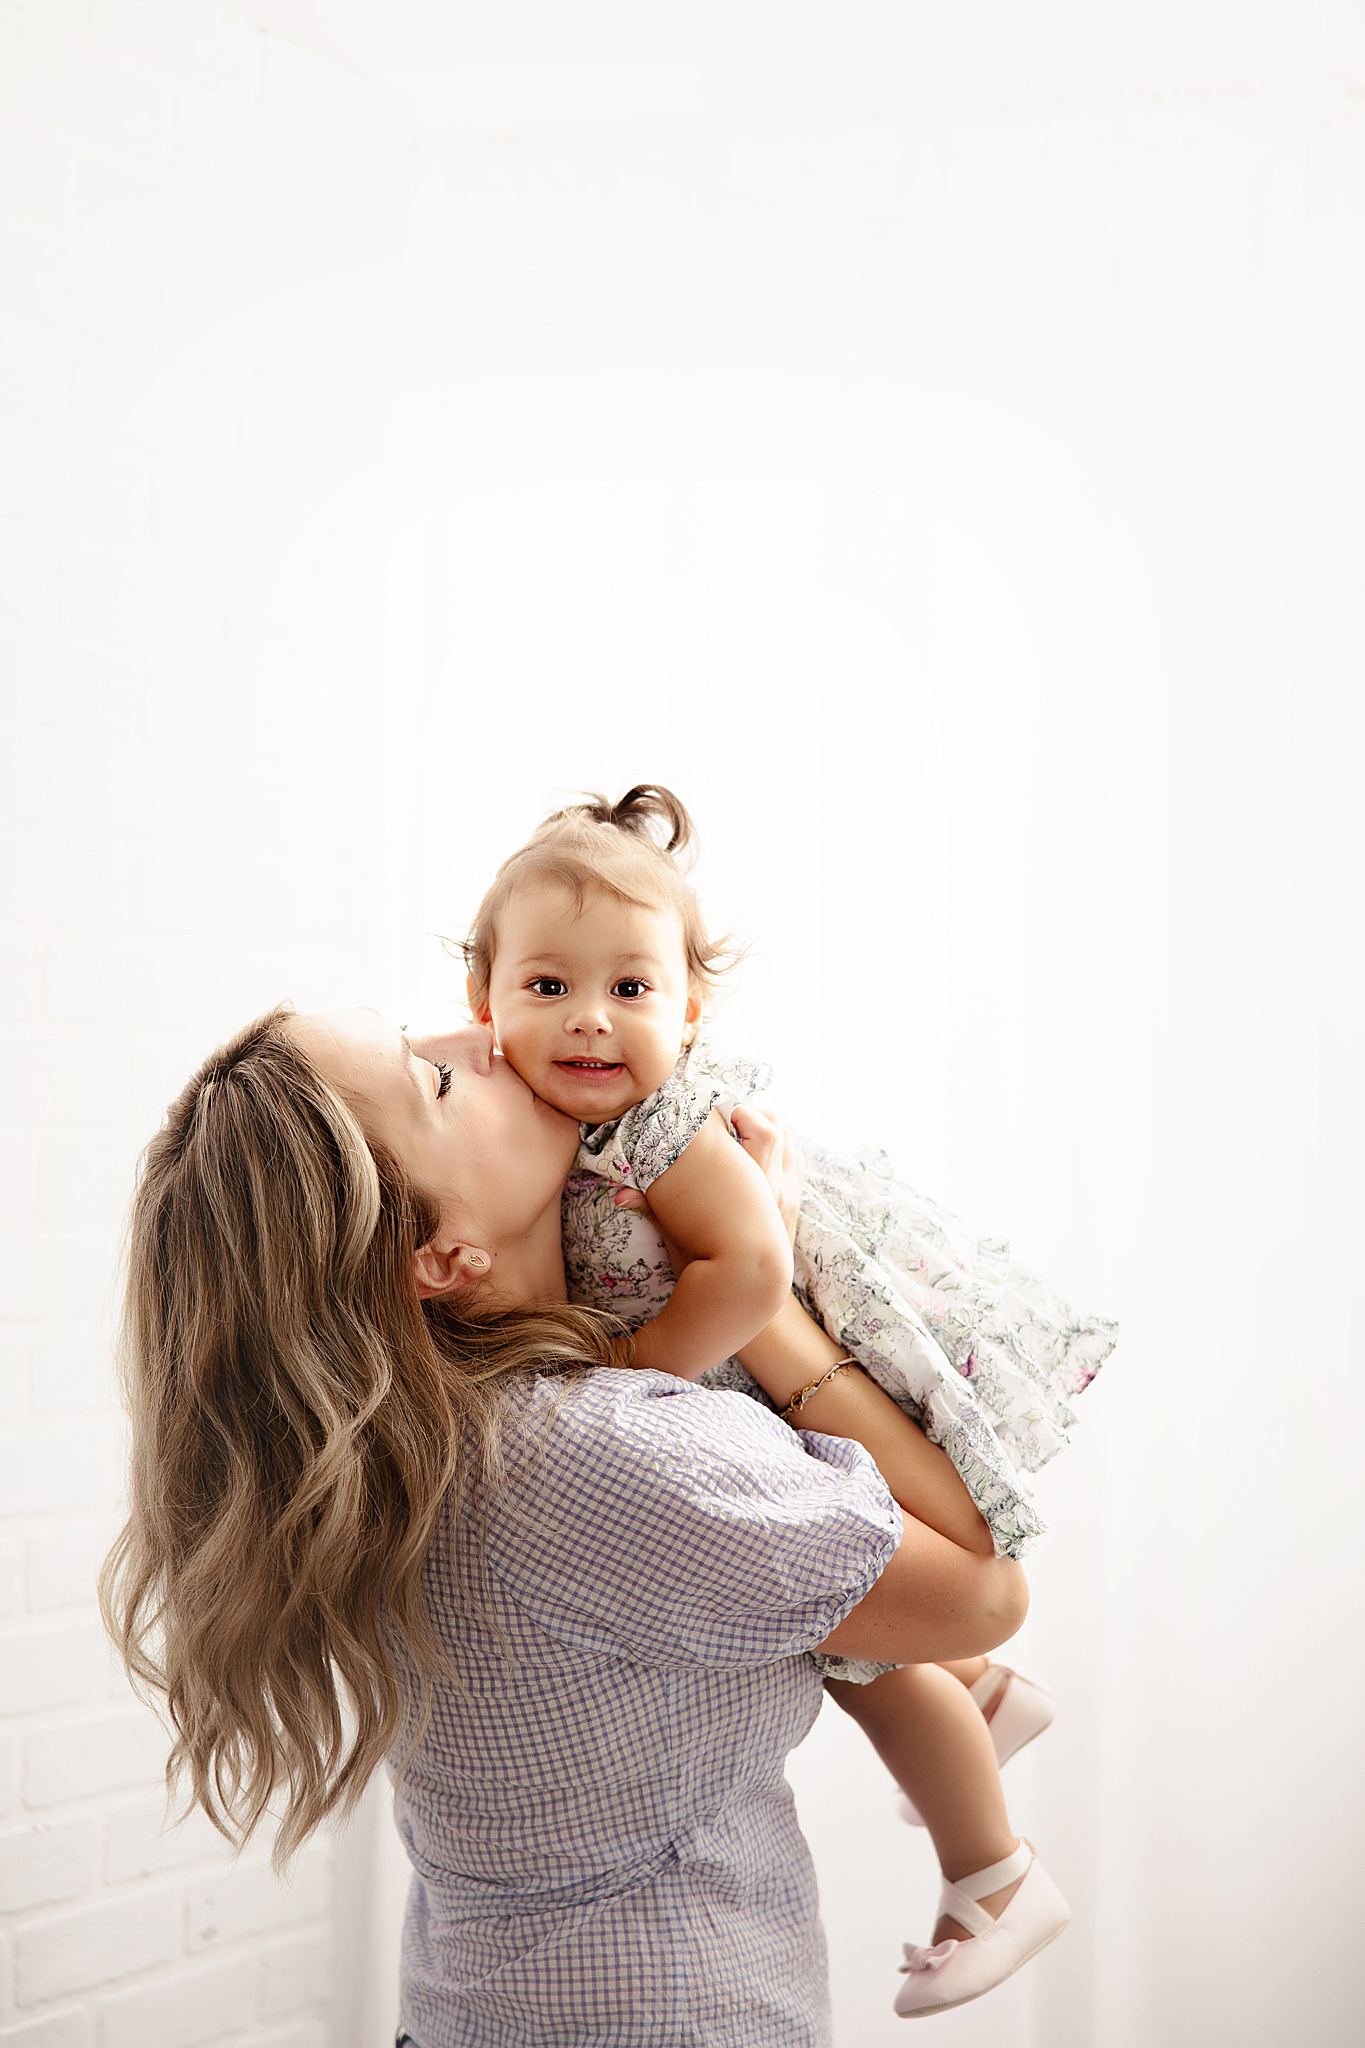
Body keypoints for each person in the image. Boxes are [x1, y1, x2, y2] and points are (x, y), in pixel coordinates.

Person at [98, 992, 1029, 2047]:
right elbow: (984, 1592)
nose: (479, 1034)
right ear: (441, 1255)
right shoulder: (604, 1459)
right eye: (434, 1079)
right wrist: (764, 1290)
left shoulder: (406, 1450)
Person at [454, 781, 1121, 2018]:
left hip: (741, 1378)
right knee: (842, 1633)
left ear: (692, 1009)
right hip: (727, 1401)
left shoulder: (661, 1120)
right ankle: (977, 1686)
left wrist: (625, 1380)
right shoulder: (539, 1115)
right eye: (548, 987)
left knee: (856, 1648)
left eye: (633, 989)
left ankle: (998, 1871)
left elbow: (753, 1268)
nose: (592, 1020)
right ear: (481, 1002)